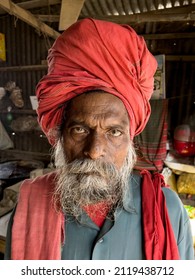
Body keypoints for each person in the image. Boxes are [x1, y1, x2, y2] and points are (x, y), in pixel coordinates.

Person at [5, 18, 194, 260]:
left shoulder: (167, 209)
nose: (94, 151)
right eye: (80, 130)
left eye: (114, 132)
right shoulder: (29, 208)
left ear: (130, 139)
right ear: (60, 135)